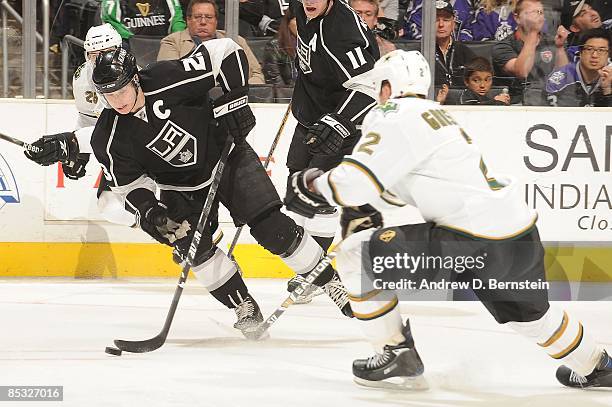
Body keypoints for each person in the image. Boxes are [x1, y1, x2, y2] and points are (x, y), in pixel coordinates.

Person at [283, 49, 612, 390]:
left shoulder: (393, 114)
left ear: (386, 87)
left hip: (467, 239)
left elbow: (354, 182)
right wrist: (369, 201)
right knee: (533, 318)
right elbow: (400, 186)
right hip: (516, 233)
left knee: (355, 256)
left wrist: (311, 183)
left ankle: (394, 351)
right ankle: (597, 364)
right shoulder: (434, 115)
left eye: (375, 88)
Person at [88, 43, 353, 336]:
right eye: (108, 95)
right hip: (179, 186)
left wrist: (235, 101)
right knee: (192, 247)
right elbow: (131, 184)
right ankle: (244, 305)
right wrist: (150, 210)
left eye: (120, 90)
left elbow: (225, 51)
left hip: (227, 156)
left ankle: (329, 281)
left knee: (273, 229)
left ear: (135, 78)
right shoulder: (106, 136)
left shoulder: (166, 77)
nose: (116, 100)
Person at [283, 0, 379, 296]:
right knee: (296, 185)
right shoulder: (303, 8)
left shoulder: (342, 29)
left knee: (317, 193)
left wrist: (339, 122)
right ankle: (313, 266)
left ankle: (315, 276)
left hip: (340, 121)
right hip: (312, 115)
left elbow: (371, 85)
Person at [24, 24, 135, 227]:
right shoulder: (82, 79)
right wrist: (79, 154)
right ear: (86, 56)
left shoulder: (134, 75)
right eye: (94, 54)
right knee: (109, 207)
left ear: (120, 51)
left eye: (107, 53)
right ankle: (155, 228)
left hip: (147, 147)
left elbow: (130, 130)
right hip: (122, 154)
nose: (100, 59)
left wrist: (73, 143)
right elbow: (88, 118)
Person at [157, 0, 265, 85]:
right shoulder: (172, 42)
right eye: (197, 17)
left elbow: (257, 75)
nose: (203, 22)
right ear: (188, 20)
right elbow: (168, 77)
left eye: (209, 17)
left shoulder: (237, 41)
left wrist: (240, 90)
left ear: (216, 21)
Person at [492, 0, 570, 105]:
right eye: (533, 12)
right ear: (517, 18)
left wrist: (560, 48)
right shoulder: (503, 47)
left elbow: (564, 78)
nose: (538, 16)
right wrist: (533, 32)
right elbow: (522, 72)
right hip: (515, 104)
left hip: (549, 102)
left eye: (541, 12)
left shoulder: (552, 42)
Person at [546, 28, 612, 106]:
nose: (594, 55)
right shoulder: (559, 80)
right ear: (580, 52)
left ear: (608, 54)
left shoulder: (610, 77)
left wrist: (607, 90)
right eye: (589, 49)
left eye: (601, 50)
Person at [101, 0, 187, 44]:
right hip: (129, 46)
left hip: (165, 45)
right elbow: (111, 23)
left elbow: (177, 20)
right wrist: (135, 42)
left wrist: (175, 40)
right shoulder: (112, 2)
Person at [434, 1, 477, 88]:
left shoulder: (466, 53)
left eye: (446, 20)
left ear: (453, 24)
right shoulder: (419, 54)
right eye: (436, 20)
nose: (441, 24)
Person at [439, 56, 512, 104]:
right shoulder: (466, 97)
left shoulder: (487, 98)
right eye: (476, 80)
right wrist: (496, 102)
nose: (482, 85)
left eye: (487, 80)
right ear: (466, 81)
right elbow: (474, 109)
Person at [402, 0, 477, 41]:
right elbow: (413, 25)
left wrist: (459, 43)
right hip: (423, 49)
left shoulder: (465, 3)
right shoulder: (422, 3)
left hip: (455, 50)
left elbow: (468, 27)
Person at [262, 6, 298, 85]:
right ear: (288, 22)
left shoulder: (316, 44)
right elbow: (274, 79)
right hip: (288, 94)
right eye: (297, 20)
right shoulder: (274, 46)